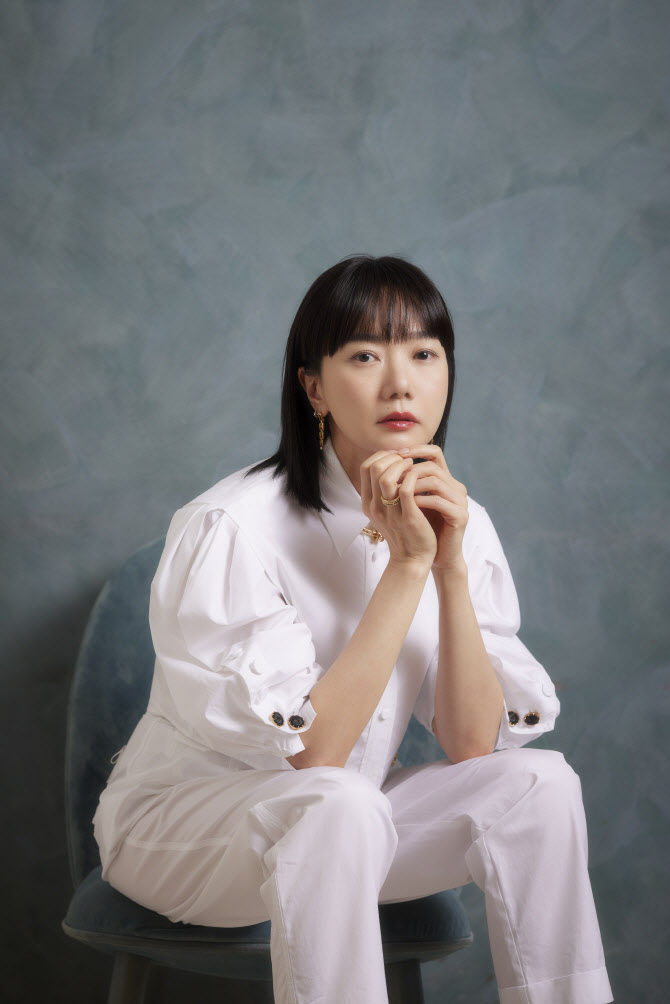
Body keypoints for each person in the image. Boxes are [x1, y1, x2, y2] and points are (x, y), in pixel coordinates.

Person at [93, 255, 613, 1004]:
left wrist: (449, 567)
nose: (400, 383)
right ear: (314, 387)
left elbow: (473, 745)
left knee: (540, 783)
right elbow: (314, 756)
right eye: (366, 355)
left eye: (424, 354)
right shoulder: (231, 526)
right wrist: (406, 567)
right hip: (182, 834)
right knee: (337, 800)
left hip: (347, 825)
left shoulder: (458, 516)